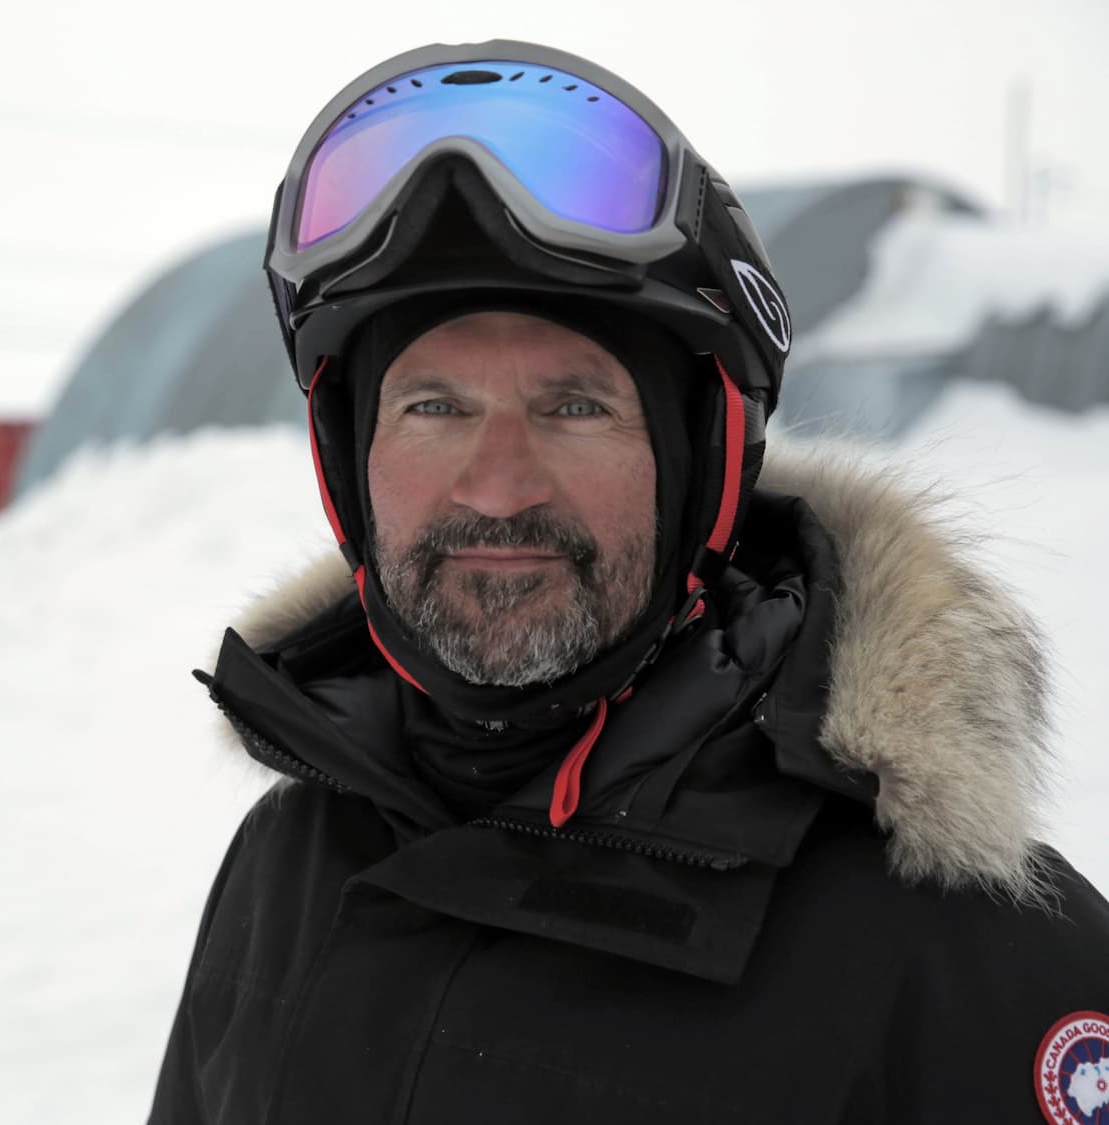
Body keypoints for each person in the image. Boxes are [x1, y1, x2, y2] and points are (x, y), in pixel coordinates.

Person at [149, 40, 1109, 1124]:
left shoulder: (963, 951)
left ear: (697, 470)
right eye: (433, 407)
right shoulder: (289, 856)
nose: (497, 488)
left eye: (575, 407)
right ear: (350, 465)